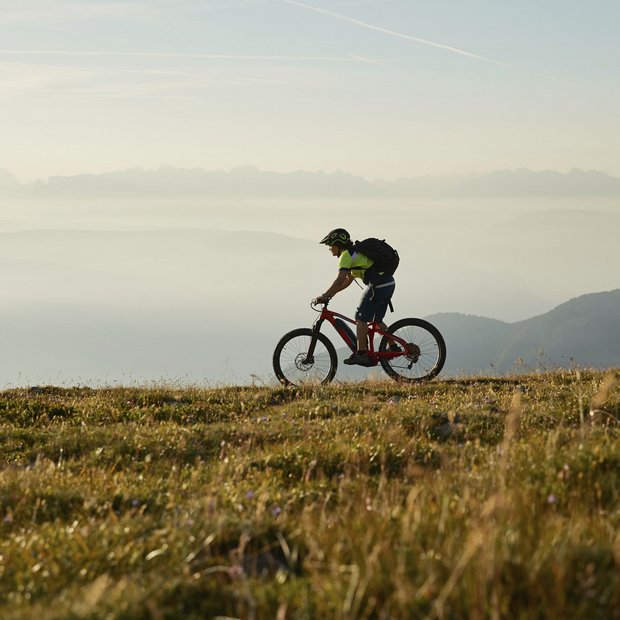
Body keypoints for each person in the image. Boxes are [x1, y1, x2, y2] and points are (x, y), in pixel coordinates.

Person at [314, 228, 396, 367]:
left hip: (378, 285)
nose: (329, 249)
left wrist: (325, 295)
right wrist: (331, 295)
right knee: (377, 321)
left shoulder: (346, 255)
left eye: (330, 245)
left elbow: (340, 279)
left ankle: (361, 354)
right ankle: (394, 348)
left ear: (338, 244)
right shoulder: (354, 253)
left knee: (360, 318)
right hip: (388, 283)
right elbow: (347, 281)